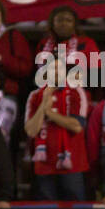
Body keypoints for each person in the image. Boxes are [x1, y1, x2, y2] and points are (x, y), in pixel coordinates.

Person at [24, 59, 90, 200]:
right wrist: (43, 106)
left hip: (72, 167)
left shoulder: (76, 92)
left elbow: (77, 126)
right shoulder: (35, 96)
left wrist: (49, 114)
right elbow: (31, 131)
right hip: (45, 166)